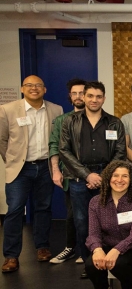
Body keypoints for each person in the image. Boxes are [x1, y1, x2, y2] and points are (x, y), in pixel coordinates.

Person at [60, 81, 126, 278]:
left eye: (98, 96)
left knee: (109, 221)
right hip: (79, 179)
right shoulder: (70, 121)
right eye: (90, 96)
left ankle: (110, 259)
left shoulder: (115, 122)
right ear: (84, 98)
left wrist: (103, 177)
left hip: (108, 179)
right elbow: (64, 151)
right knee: (81, 222)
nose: (94, 100)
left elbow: (120, 152)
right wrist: (87, 174)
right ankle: (90, 262)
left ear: (104, 98)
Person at [0, 75, 62, 272]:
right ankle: (11, 256)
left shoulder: (55, 110)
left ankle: (42, 247)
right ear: (22, 89)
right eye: (29, 85)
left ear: (45, 89)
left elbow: (58, 139)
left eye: (38, 85)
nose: (34, 88)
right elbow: (2, 140)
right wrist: (13, 160)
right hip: (21, 169)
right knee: (15, 210)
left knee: (43, 208)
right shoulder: (8, 110)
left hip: (46, 166)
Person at [84, 161, 132, 289]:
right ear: (108, 178)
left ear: (131, 179)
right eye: (116, 175)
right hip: (108, 245)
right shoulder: (95, 202)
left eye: (125, 176)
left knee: (118, 263)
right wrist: (97, 249)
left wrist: (116, 250)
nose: (119, 180)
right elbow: (93, 233)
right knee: (90, 264)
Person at [48, 78, 87, 265]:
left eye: (82, 92)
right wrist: (55, 170)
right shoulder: (62, 120)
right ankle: (71, 247)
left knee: (93, 214)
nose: (79, 96)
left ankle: (87, 251)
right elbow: (54, 146)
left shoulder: (97, 119)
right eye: (75, 93)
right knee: (73, 214)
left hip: (94, 175)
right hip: (70, 176)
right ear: (70, 96)